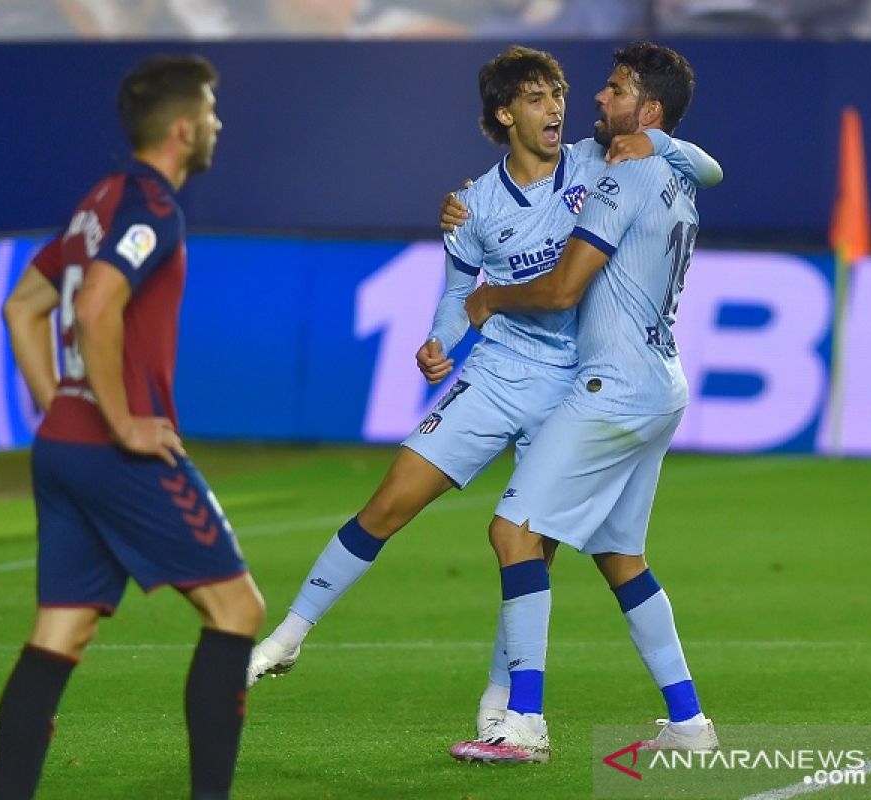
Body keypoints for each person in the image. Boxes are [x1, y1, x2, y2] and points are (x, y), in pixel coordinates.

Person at [247, 45, 721, 745]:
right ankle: (289, 633)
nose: (560, 106)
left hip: (576, 386)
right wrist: (440, 342)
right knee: (390, 503)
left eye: (559, 92)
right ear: (505, 114)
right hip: (501, 374)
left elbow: (703, 169)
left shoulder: (603, 162)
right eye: (537, 97)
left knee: (526, 544)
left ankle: (506, 705)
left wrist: (658, 138)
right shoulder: (471, 205)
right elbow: (458, 294)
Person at [0, 54, 264, 800]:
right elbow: (95, 304)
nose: (217, 124)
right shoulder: (151, 205)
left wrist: (61, 405)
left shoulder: (100, 200)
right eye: (210, 112)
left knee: (62, 633)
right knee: (237, 609)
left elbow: (22, 307)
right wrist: (120, 422)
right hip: (115, 451)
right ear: (183, 129)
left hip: (63, 449)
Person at [451, 41, 719, 765]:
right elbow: (709, 164)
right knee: (619, 555)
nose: (598, 99)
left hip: (613, 388)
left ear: (648, 109)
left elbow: (563, 290)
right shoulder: (672, 169)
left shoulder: (621, 179)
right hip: (662, 384)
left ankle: (524, 723)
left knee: (513, 533)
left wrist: (489, 299)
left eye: (615, 88)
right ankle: (689, 721)